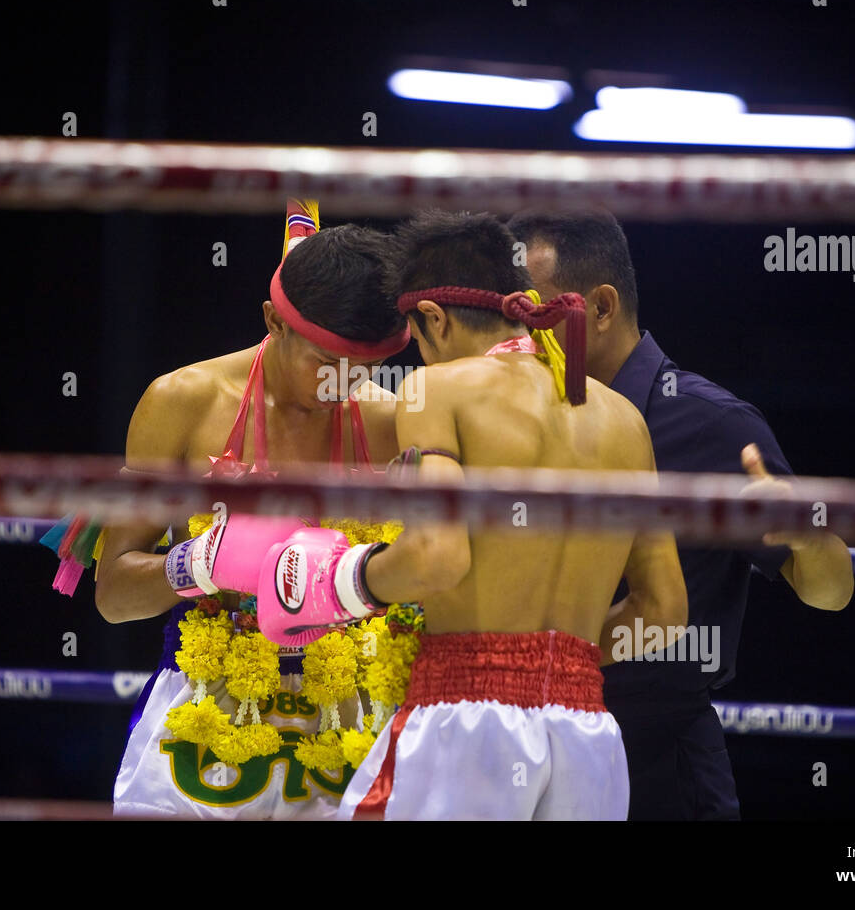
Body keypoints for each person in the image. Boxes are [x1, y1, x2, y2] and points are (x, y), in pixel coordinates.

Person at [254, 210, 689, 820]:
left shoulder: (436, 390)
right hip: (587, 735)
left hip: (466, 721)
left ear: (433, 318)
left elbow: (437, 556)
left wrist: (335, 582)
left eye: (416, 338)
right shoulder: (624, 418)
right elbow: (664, 613)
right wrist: (552, 661)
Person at [507, 208, 854, 820]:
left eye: (535, 314)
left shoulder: (713, 425)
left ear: (601, 308)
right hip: (526, 744)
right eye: (510, 316)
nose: (518, 337)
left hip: (657, 759)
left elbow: (830, 593)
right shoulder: (511, 417)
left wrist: (809, 536)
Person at [95, 202, 411, 818]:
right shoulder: (184, 402)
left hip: (352, 724)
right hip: (206, 716)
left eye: (367, 368)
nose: (343, 385)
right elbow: (113, 597)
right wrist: (199, 563)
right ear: (274, 321)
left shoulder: (393, 421)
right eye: (327, 364)